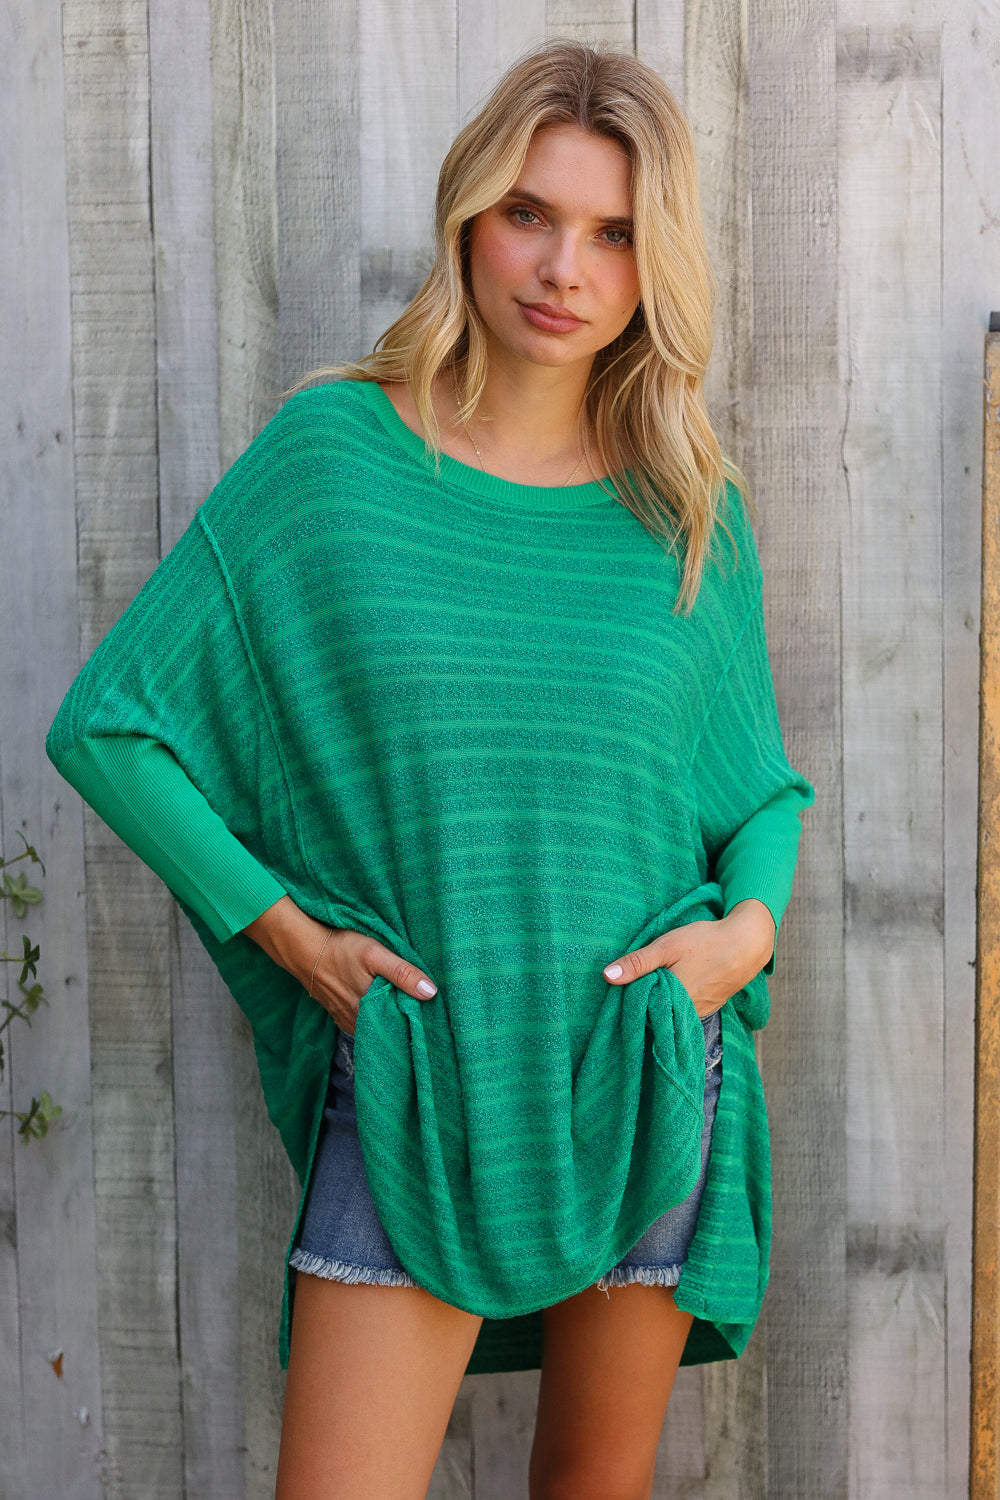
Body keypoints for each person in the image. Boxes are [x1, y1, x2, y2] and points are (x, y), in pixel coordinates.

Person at [47, 39, 813, 1500]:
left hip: (650, 1068)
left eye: (612, 235)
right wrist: (294, 940)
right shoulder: (334, 460)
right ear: (469, 216)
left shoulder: (685, 509)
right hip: (421, 1077)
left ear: (653, 269)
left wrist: (742, 941)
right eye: (531, 213)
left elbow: (757, 785)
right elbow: (111, 726)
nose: (564, 268)